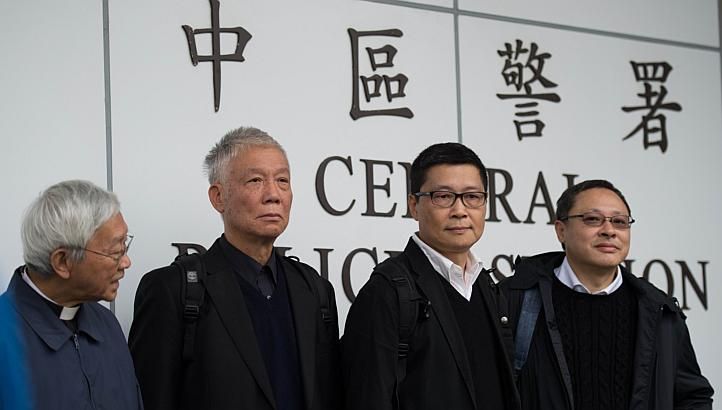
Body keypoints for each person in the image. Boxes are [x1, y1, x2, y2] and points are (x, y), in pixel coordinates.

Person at [129, 126, 340, 410]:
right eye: (255, 180)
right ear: (218, 197)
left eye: (282, 181)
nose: (273, 195)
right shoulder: (174, 289)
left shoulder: (314, 290)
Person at [501, 179, 714, 410]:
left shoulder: (659, 311)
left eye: (620, 222)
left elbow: (692, 396)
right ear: (561, 230)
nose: (609, 231)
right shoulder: (514, 299)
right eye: (593, 219)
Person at [342, 142, 521, 410]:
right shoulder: (389, 290)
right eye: (443, 196)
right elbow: (368, 396)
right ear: (414, 206)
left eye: (472, 196)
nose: (460, 210)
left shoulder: (487, 285)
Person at [0, 180, 142, 410]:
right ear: (62, 261)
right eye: (116, 252)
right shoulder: (6, 338)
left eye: (125, 247)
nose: (126, 262)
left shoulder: (106, 324)